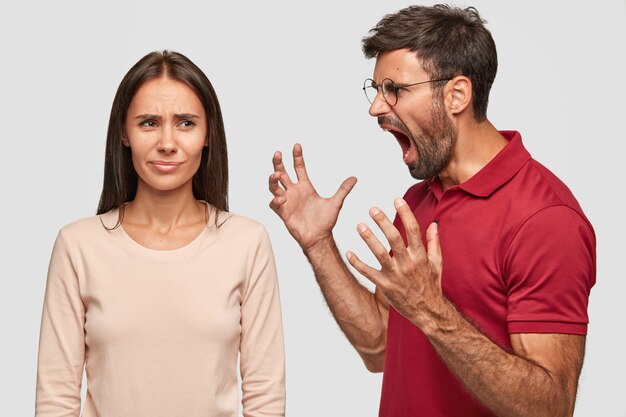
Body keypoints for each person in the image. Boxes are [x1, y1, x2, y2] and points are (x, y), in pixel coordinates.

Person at [269, 5, 594, 417]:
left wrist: (430, 309)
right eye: (375, 90)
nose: (376, 108)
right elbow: (379, 346)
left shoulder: (546, 219)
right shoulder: (420, 200)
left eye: (395, 89)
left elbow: (551, 407)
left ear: (456, 94)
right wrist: (318, 244)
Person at [36, 50, 285, 417]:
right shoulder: (78, 246)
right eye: (149, 123)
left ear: (208, 133)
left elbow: (265, 398)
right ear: (124, 132)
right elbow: (56, 400)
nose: (167, 142)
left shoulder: (246, 243)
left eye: (185, 123)